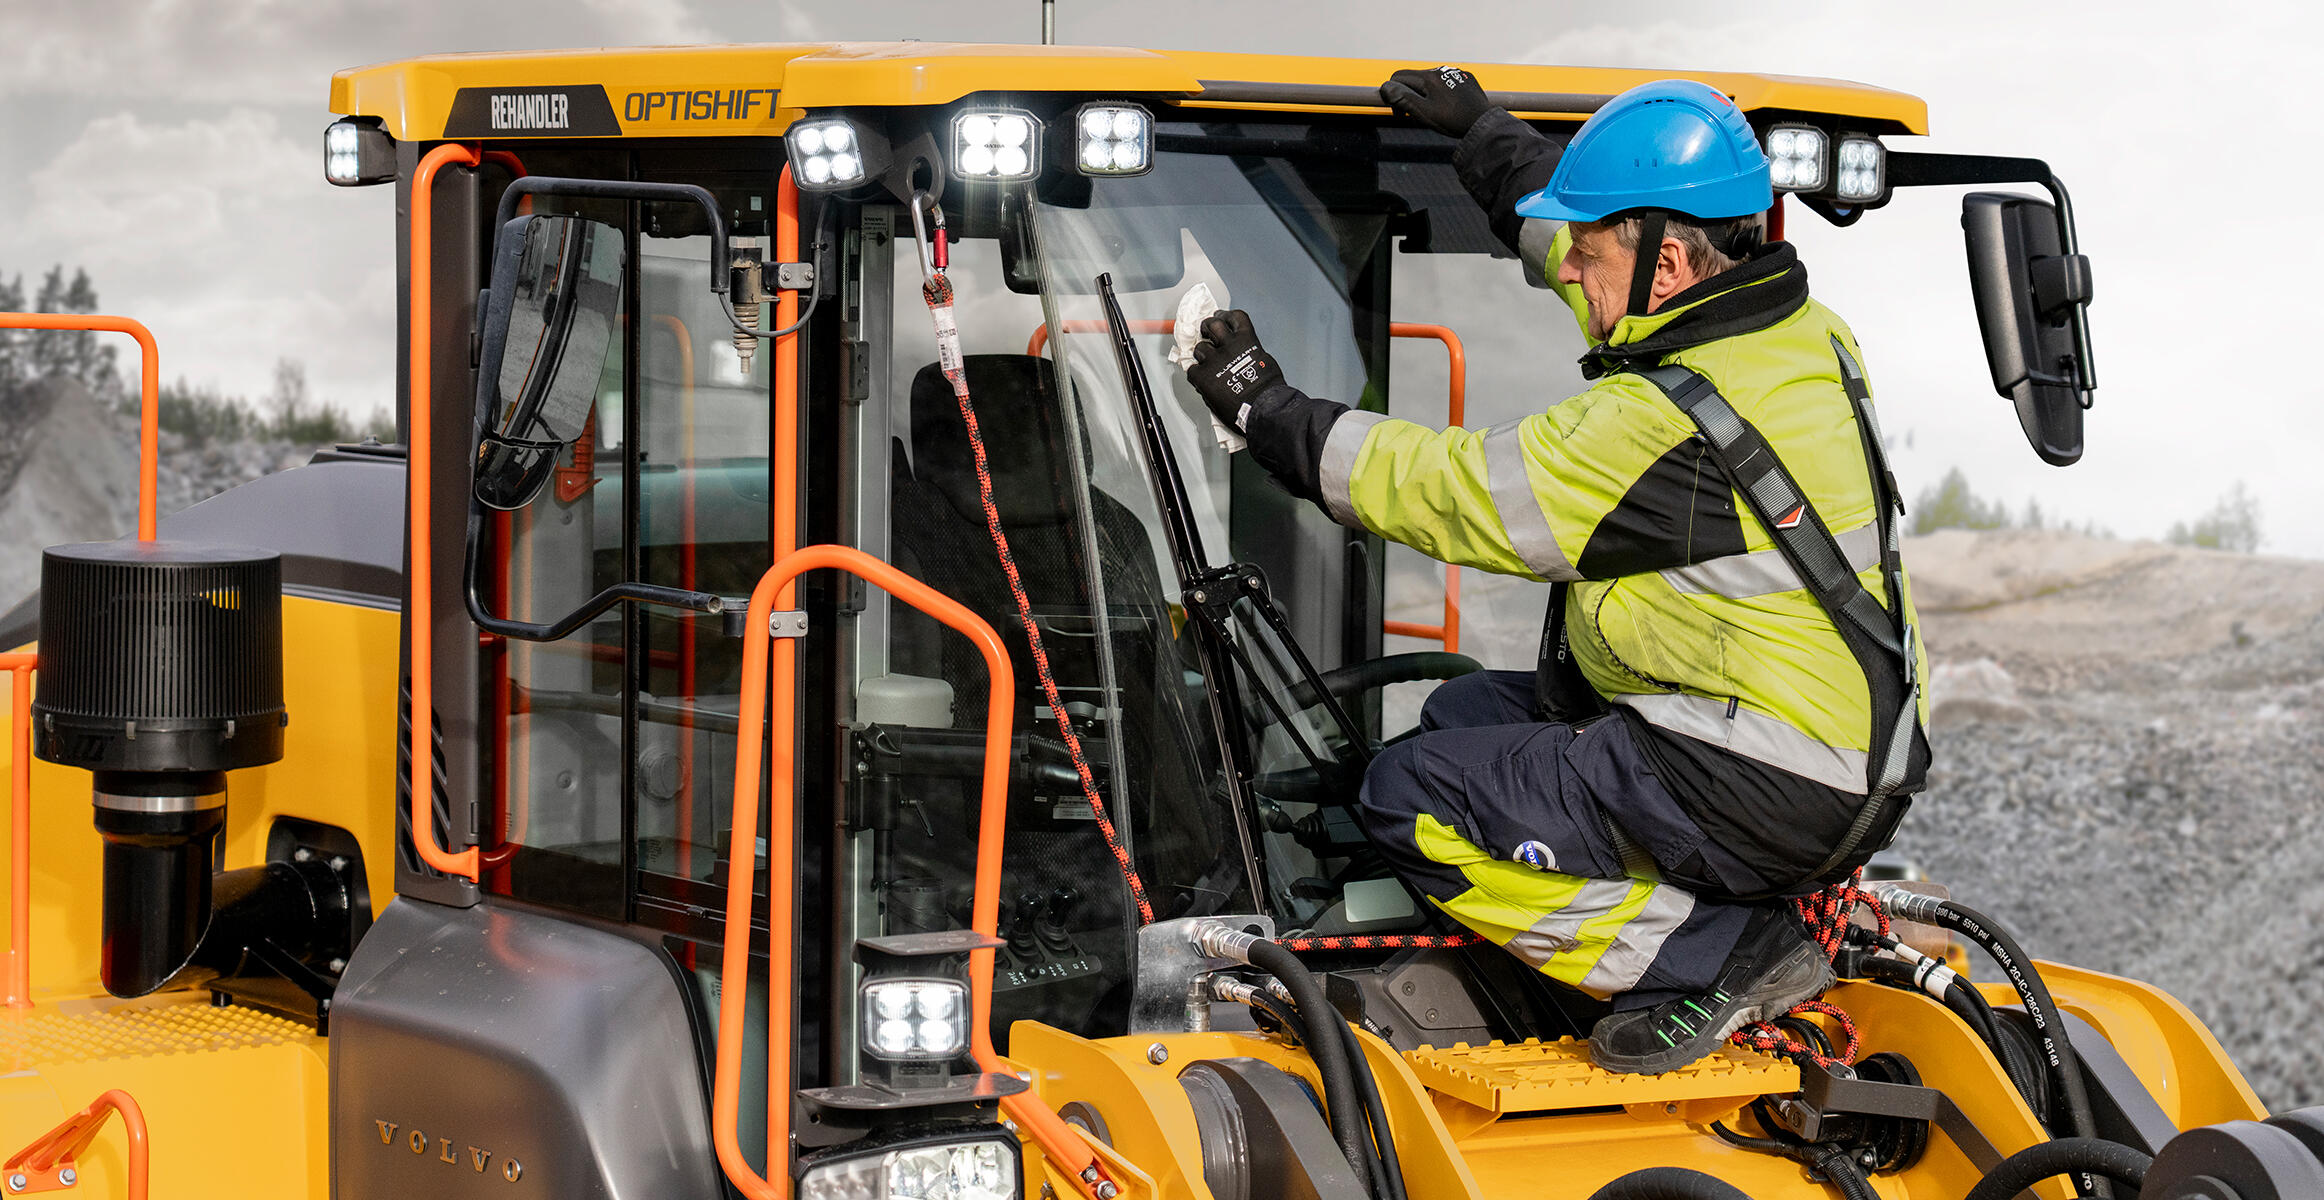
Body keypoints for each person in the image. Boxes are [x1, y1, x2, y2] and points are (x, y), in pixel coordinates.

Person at [1181, 70, 1931, 1075]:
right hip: (1822, 749)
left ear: (1666, 262)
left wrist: (1263, 411)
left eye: (1588, 250)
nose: (1567, 271)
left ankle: (1713, 951)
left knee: (1409, 794)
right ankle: (1650, 933)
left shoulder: (1655, 425)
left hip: (1762, 778)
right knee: (1458, 719)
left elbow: (1444, 489)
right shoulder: (1795, 337)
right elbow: (1591, 237)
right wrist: (1484, 138)